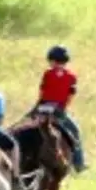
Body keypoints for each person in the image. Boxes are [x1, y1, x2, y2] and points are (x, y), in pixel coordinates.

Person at [36, 45, 88, 173]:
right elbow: (70, 96)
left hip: (42, 108)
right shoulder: (72, 77)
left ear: (53, 61)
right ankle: (79, 164)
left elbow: (41, 93)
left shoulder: (47, 74)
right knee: (75, 132)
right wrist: (63, 109)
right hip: (58, 111)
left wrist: (38, 107)